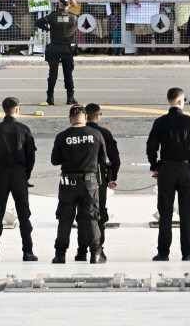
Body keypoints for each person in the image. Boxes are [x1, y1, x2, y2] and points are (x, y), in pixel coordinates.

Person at [146, 87, 190, 261]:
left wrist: (155, 165)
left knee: (165, 213)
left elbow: (151, 147)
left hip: (166, 169)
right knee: (186, 213)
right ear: (180, 101)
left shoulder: (160, 122)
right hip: (186, 169)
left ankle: (163, 253)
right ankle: (188, 253)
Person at [0, 96, 38, 262]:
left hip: (2, 174)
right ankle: (28, 251)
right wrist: (25, 175)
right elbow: (31, 156)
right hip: (19, 174)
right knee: (23, 215)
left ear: (3, 109)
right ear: (18, 109)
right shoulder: (24, 129)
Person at [50, 104, 107, 264]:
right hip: (89, 182)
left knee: (65, 218)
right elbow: (104, 160)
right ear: (86, 118)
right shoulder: (96, 134)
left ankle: (60, 254)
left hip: (68, 181)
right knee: (91, 218)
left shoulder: (62, 136)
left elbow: (55, 160)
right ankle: (96, 253)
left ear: (70, 119)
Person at [77, 103, 120, 261]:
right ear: (98, 115)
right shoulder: (104, 134)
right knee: (98, 213)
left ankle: (81, 251)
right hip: (98, 177)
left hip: (78, 178)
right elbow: (115, 158)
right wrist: (112, 177)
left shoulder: (78, 132)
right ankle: (98, 249)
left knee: (82, 213)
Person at [35, 0, 77, 106]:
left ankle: (50, 97)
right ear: (68, 5)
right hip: (67, 48)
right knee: (68, 74)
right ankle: (70, 97)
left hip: (54, 47)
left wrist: (48, 29)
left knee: (52, 74)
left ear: (59, 4)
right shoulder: (73, 17)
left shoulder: (52, 16)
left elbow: (38, 22)